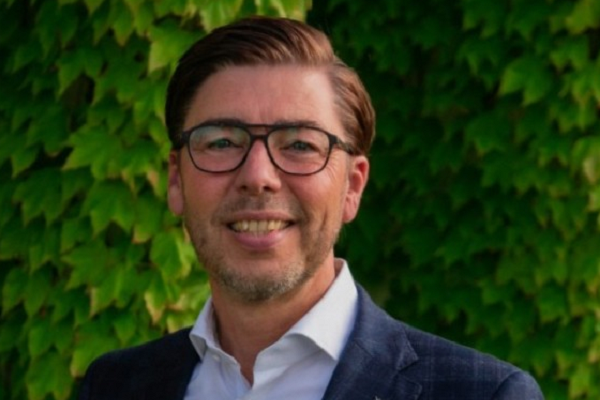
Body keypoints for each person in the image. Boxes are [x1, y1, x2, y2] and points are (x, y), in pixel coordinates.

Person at [78, 16, 544, 400]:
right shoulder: (113, 387)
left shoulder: (484, 395)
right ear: (177, 180)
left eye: (300, 144)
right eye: (221, 142)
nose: (258, 175)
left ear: (352, 187)